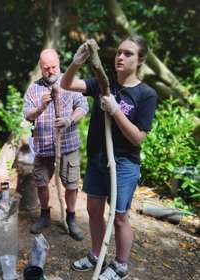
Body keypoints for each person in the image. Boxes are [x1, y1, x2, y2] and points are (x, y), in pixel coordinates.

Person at [61, 35, 157, 280]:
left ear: (140, 60)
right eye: (118, 53)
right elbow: (66, 84)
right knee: (93, 208)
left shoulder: (146, 95)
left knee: (120, 216)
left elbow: (137, 138)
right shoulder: (102, 83)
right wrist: (76, 63)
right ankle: (96, 253)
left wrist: (115, 111)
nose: (120, 57)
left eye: (128, 54)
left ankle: (121, 265)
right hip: (98, 158)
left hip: (124, 163)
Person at [23, 49, 88, 240]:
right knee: (41, 182)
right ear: (40, 68)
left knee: (71, 184)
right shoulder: (33, 89)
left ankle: (71, 218)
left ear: (59, 64)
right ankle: (44, 216)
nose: (51, 71)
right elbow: (27, 115)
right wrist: (41, 107)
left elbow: (83, 107)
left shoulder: (70, 83)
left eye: (54, 67)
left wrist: (69, 120)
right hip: (42, 147)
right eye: (46, 68)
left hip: (68, 145)